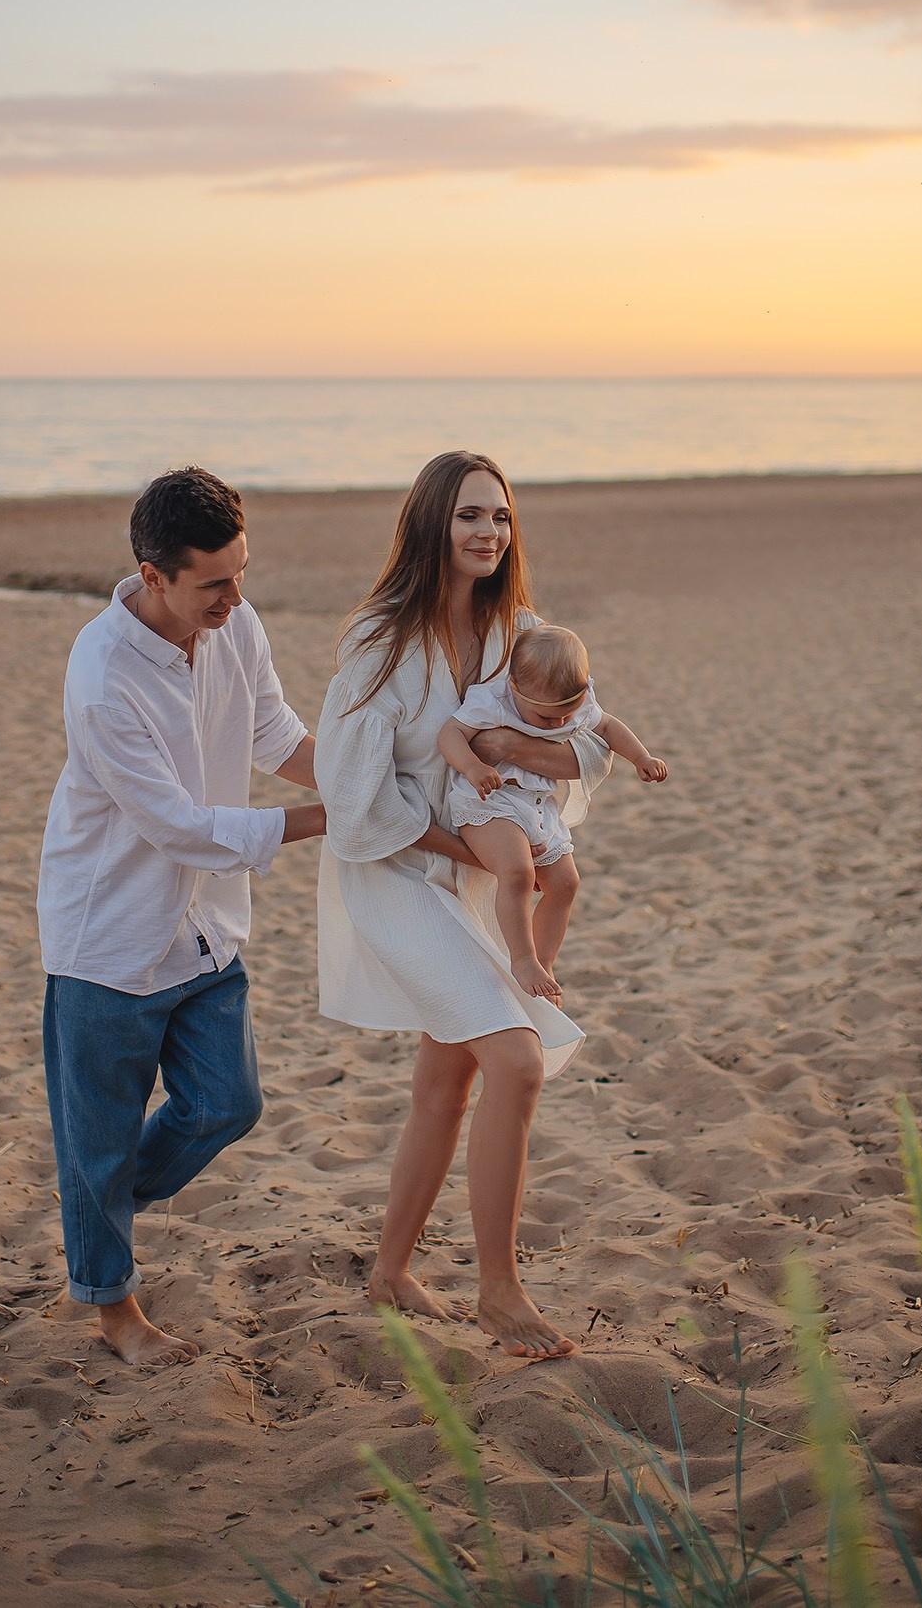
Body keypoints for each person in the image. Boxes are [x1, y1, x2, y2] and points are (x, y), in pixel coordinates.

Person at [314, 450, 611, 1361]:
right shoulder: (378, 639)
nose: (489, 533)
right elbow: (354, 796)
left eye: (502, 517)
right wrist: (471, 820)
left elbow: (585, 746)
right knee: (517, 1062)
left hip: (475, 874)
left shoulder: (513, 630)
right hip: (395, 871)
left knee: (449, 1084)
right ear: (432, 524)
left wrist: (503, 754)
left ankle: (392, 1270)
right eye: (470, 516)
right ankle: (499, 1287)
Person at [37, 466, 325, 1369]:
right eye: (215, 582)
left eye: (242, 573)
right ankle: (115, 1308)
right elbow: (175, 826)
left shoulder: (233, 625)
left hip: (204, 930)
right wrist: (330, 820)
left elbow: (276, 735)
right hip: (108, 938)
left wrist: (365, 784)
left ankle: (101, 1212)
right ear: (154, 575)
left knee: (227, 1104)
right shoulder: (102, 674)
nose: (236, 598)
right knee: (98, 1135)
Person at [439, 622, 667, 1000]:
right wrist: (472, 766)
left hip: (538, 806)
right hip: (490, 802)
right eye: (547, 720)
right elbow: (450, 734)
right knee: (517, 873)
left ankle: (544, 961)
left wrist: (640, 757)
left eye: (568, 714)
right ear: (515, 687)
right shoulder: (492, 701)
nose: (561, 724)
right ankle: (523, 958)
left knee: (565, 883)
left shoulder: (570, 701)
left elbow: (607, 726)